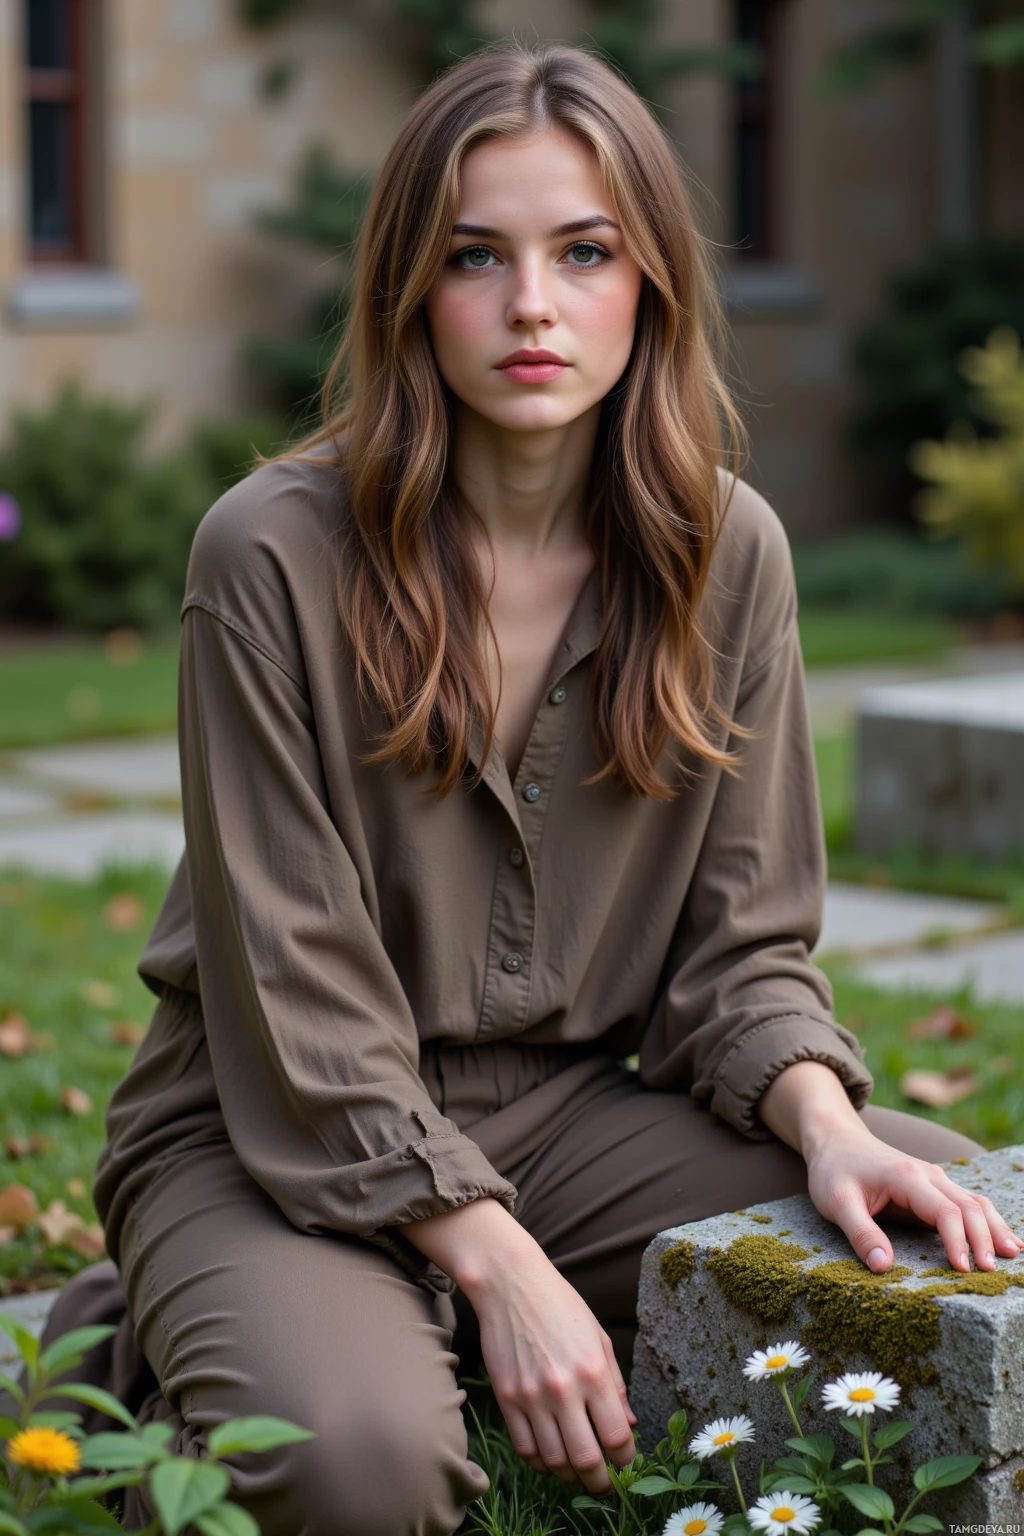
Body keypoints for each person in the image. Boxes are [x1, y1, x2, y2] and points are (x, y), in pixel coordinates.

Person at [26, 39, 1020, 1536]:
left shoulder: (725, 552)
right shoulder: (269, 555)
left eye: (586, 253)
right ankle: (170, 1315)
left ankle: (332, 1313)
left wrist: (830, 1127)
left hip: (574, 1121)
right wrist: (503, 1266)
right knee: (357, 1470)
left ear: (654, 285)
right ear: (410, 291)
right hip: (268, 1122)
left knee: (958, 1246)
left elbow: (741, 956)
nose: (534, 306)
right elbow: (297, 996)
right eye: (476, 256)